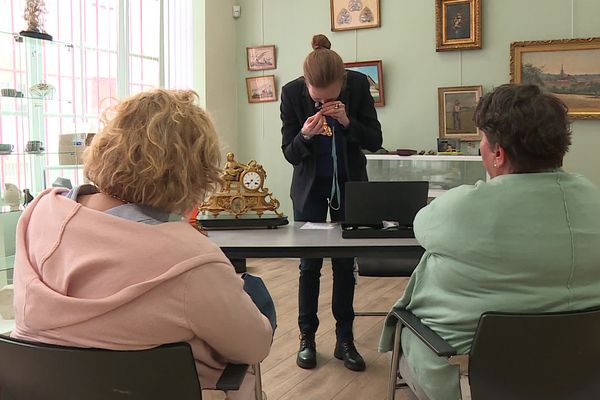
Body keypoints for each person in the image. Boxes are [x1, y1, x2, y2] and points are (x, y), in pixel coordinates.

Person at [11, 89, 275, 400]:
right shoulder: (193, 261)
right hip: (149, 384)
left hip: (43, 388)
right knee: (254, 300)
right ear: (193, 172)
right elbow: (254, 346)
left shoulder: (39, 213)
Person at [379, 84, 600, 400]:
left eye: (482, 139)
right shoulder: (594, 199)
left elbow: (421, 227)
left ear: (498, 153)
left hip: (472, 381)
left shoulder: (460, 209)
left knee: (403, 339)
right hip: (582, 375)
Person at [280, 34, 382, 372]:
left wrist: (347, 121)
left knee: (344, 264)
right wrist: (305, 134)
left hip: (349, 186)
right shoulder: (291, 93)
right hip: (310, 188)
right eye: (317, 97)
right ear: (305, 83)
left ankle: (345, 340)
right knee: (309, 265)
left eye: (331, 97)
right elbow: (290, 154)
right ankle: (306, 337)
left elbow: (375, 141)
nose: (323, 102)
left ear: (343, 81)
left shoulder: (357, 85)